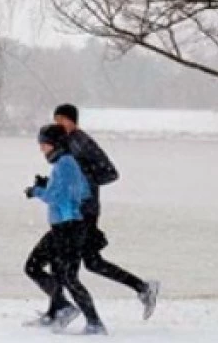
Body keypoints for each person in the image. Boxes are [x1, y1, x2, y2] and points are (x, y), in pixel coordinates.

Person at [51, 103, 161, 320]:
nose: (58, 125)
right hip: (76, 210)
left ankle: (69, 314)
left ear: (72, 120)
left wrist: (84, 183)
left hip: (85, 211)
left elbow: (110, 173)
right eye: (55, 121)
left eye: (61, 120)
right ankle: (142, 287)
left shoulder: (83, 142)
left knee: (65, 265)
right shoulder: (67, 142)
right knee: (89, 262)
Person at [23, 124, 107, 335]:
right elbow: (78, 191)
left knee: (66, 275)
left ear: (55, 144)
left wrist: (37, 191)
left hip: (68, 228)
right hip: (63, 227)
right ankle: (61, 308)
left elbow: (60, 197)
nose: (41, 149)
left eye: (44, 144)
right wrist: (48, 184)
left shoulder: (66, 164)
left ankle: (92, 322)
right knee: (41, 269)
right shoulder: (64, 163)